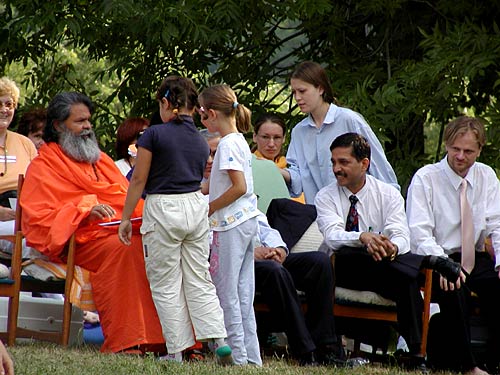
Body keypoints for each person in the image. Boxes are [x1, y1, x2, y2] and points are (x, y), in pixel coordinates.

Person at [20, 91, 165, 354]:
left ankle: (162, 339)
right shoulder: (43, 166)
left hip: (115, 231)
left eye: (88, 120)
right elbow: (39, 219)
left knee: (154, 243)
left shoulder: (100, 159)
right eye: (79, 121)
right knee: (124, 248)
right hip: (77, 241)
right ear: (58, 125)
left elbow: (125, 197)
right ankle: (129, 340)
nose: (87, 126)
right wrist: (84, 210)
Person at [314, 132, 463, 371]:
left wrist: (392, 247)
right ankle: (427, 261)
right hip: (342, 267)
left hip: (384, 267)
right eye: (333, 162)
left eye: (343, 162)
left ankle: (416, 356)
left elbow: (402, 235)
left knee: (406, 278)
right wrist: (362, 237)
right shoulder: (326, 196)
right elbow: (332, 237)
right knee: (366, 255)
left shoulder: (388, 194)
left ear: (364, 164)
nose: (336, 168)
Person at [118, 76, 231, 364]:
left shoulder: (153, 135)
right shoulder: (201, 140)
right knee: (199, 278)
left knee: (166, 282)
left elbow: (139, 179)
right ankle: (219, 339)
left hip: (163, 208)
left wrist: (125, 218)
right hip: (195, 207)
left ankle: (176, 351)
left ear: (167, 103)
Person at [406, 116, 500, 375]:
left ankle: (494, 361)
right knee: (454, 286)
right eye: (455, 149)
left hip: (475, 256)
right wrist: (442, 263)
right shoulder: (426, 178)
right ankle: (469, 365)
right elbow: (419, 234)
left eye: (468, 151)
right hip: (436, 257)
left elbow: (497, 225)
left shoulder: (487, 176)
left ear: (479, 150)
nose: (460, 156)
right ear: (447, 144)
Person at [197, 84, 261, 366]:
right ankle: (252, 357)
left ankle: (237, 356)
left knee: (226, 291)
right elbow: (217, 184)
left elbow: (238, 187)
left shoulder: (227, 144)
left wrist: (209, 208)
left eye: (200, 114)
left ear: (210, 114)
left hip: (230, 224)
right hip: (247, 221)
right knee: (244, 292)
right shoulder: (239, 142)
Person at [282, 61, 398, 204]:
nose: (297, 98)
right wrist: (274, 171)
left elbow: (377, 165)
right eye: (294, 92)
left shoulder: (350, 120)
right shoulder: (299, 132)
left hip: (359, 212)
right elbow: (298, 177)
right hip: (320, 215)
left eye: (302, 91)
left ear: (320, 88)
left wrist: (392, 206)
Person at [0, 77, 37, 235]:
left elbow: (40, 183)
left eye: (9, 104)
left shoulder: (26, 144)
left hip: (26, 212)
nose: (4, 110)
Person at [252, 113, 304, 204]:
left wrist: (272, 168)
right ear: (255, 137)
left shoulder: (287, 166)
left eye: (277, 137)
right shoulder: (247, 165)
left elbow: (300, 186)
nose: (271, 144)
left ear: (284, 138)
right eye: (265, 137)